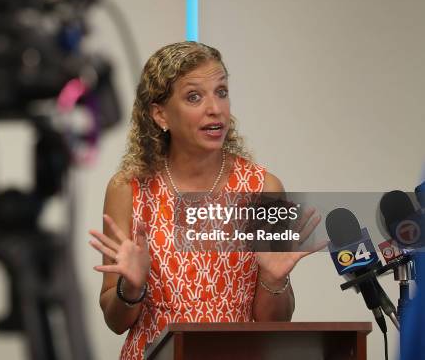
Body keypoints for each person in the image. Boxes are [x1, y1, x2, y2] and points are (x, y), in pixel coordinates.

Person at [88, 41, 322, 359]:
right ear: (160, 115)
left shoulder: (263, 188)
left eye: (221, 91)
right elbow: (116, 322)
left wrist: (273, 278)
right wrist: (131, 288)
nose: (215, 108)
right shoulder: (128, 188)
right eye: (194, 96)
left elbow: (274, 322)